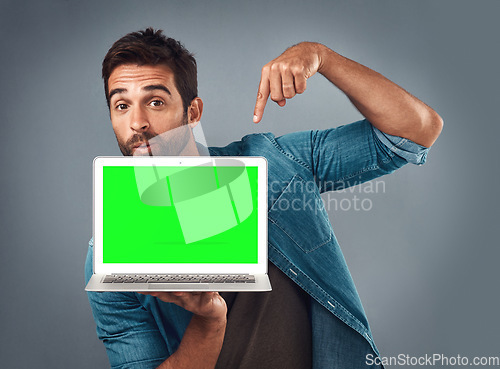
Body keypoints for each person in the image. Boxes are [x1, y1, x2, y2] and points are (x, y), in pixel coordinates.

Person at [85, 28, 443, 369]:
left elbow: (417, 130)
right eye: (121, 106)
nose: (137, 123)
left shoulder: (275, 163)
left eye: (155, 101)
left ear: (192, 113)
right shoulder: (108, 253)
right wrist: (209, 322)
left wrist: (321, 56)